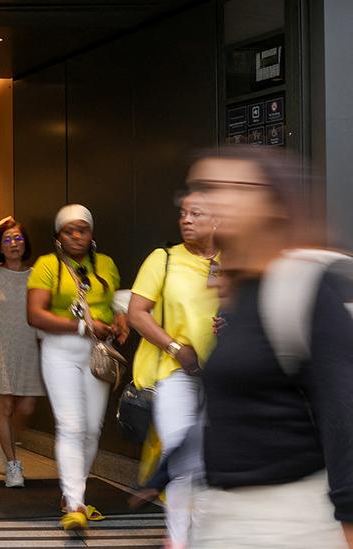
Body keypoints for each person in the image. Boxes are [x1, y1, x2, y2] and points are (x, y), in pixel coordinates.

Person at [185, 147, 353, 549]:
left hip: (288, 522)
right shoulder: (241, 295)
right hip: (223, 518)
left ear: (276, 204)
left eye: (236, 187)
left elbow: (343, 411)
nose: (217, 198)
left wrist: (349, 519)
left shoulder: (305, 287)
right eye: (209, 188)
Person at [26, 204, 129, 531]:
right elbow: (35, 314)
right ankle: (75, 503)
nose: (76, 235)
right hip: (60, 351)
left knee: (92, 429)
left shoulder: (107, 265)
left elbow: (112, 303)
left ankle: (73, 492)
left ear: (91, 234)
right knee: (71, 426)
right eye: (69, 230)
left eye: (82, 229)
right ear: (58, 236)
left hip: (98, 353)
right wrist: (83, 327)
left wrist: (120, 319)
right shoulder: (46, 265)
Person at [127, 191, 220, 549]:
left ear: (217, 220)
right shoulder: (163, 259)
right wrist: (176, 348)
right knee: (182, 452)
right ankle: (179, 540)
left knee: (210, 458)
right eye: (183, 213)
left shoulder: (233, 260)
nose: (186, 219)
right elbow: (137, 313)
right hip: (176, 372)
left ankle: (202, 536)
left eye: (196, 213)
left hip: (223, 376)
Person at [0, 216, 44, 488]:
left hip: (28, 347)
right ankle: (13, 465)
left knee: (25, 406)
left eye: (18, 238)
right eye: (7, 239)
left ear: (25, 244)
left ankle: (1, 443)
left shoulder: (36, 275)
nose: (13, 243)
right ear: (1, 247)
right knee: (5, 407)